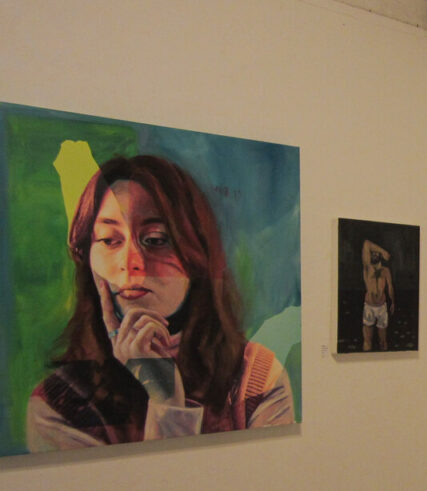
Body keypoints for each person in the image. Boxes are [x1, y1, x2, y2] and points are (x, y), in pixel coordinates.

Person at [26, 155, 294, 451]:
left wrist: (167, 396)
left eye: (155, 240)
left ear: (197, 257)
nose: (131, 262)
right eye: (109, 240)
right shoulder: (57, 407)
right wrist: (166, 401)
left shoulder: (256, 377)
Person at [361, 239, 395, 350]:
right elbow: (366, 243)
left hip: (382, 307)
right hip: (369, 307)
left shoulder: (385, 271)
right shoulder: (368, 268)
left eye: (377, 253)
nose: (375, 255)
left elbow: (390, 287)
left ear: (380, 256)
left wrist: (393, 302)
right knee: (367, 342)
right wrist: (383, 251)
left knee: (383, 342)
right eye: (373, 253)